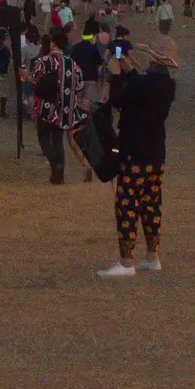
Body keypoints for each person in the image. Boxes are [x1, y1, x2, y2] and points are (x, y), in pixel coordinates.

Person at [96, 49, 178, 278]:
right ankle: (152, 256)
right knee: (151, 203)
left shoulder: (142, 83)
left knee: (127, 204)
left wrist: (117, 75)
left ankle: (126, 261)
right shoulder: (168, 84)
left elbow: (119, 100)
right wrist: (130, 73)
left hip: (134, 151)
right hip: (156, 152)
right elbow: (141, 93)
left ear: (151, 59)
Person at [31, 33, 87, 185]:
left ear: (54, 43)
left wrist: (25, 76)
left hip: (46, 108)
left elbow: (34, 80)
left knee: (43, 138)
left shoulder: (44, 61)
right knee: (57, 141)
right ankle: (59, 176)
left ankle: (55, 165)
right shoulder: (73, 64)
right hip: (65, 109)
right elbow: (80, 85)